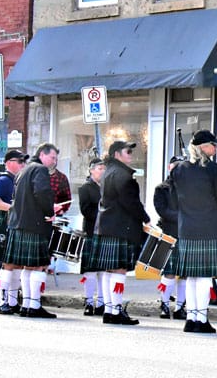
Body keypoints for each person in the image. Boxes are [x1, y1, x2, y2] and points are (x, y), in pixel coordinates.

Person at [168, 130, 217, 334]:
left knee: (191, 276)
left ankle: (191, 319)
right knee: (205, 276)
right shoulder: (216, 171)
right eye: (213, 145)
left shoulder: (179, 170)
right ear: (203, 147)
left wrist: (184, 217)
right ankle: (202, 319)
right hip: (211, 227)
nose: (215, 148)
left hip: (187, 228)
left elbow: (173, 199)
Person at [95, 140, 150, 326]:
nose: (131, 155)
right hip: (121, 227)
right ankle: (116, 311)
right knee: (119, 270)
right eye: (128, 152)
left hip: (107, 226)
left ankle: (109, 310)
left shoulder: (107, 172)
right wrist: (145, 218)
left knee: (109, 270)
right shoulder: (123, 176)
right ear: (117, 154)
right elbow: (131, 202)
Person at [4, 143, 63, 319]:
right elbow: (42, 192)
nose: (54, 161)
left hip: (20, 223)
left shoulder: (24, 170)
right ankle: (33, 305)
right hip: (35, 224)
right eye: (52, 157)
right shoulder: (40, 170)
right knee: (37, 266)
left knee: (28, 267)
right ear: (42, 155)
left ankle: (27, 305)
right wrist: (50, 212)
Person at [0, 150, 28, 315]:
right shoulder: (4, 180)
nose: (23, 164)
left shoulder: (19, 181)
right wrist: (12, 208)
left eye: (24, 162)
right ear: (8, 163)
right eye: (19, 161)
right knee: (8, 264)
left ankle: (13, 302)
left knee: (17, 264)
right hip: (5, 225)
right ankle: (3, 302)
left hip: (16, 225)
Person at [154, 155, 185, 319]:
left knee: (185, 273)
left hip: (187, 234)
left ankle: (180, 307)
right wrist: (182, 217)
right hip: (169, 233)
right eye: (176, 166)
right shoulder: (161, 188)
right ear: (169, 167)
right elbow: (162, 210)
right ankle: (164, 304)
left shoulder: (190, 188)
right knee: (169, 272)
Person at [78, 157, 106, 315]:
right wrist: (104, 214)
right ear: (91, 170)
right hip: (91, 231)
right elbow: (86, 210)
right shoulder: (85, 188)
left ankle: (101, 303)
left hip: (106, 232)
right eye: (100, 169)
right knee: (90, 270)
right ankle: (88, 302)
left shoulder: (108, 187)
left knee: (103, 270)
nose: (103, 171)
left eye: (104, 169)